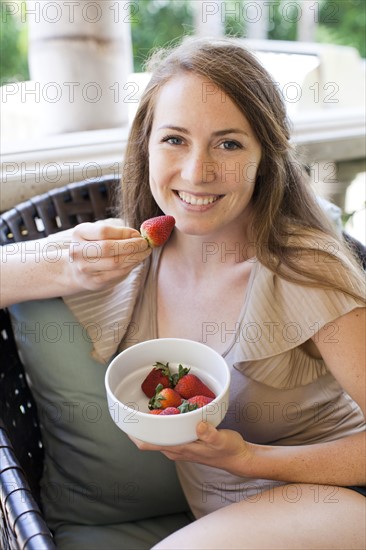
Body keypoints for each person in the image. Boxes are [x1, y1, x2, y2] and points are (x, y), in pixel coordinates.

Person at [1, 37, 365, 549]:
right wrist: (62, 259)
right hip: (222, 525)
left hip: (336, 508)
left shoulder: (306, 270)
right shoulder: (133, 260)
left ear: (267, 157)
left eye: (229, 143)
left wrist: (249, 460)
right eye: (175, 139)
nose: (197, 172)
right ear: (144, 145)